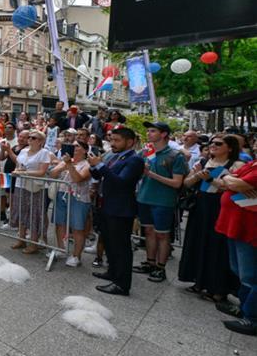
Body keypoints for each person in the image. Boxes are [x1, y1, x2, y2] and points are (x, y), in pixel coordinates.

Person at [179, 134, 243, 302]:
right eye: (211, 143)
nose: (213, 146)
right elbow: (186, 182)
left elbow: (232, 187)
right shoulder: (203, 161)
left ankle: (218, 288)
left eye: (218, 144)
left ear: (230, 147)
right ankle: (199, 281)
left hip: (220, 209)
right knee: (198, 243)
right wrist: (197, 176)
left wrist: (210, 179)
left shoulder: (237, 165)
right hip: (201, 207)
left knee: (218, 248)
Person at [89, 127, 144, 296]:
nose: (113, 143)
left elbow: (121, 182)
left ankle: (122, 284)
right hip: (107, 205)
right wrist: (94, 165)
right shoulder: (114, 156)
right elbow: (99, 176)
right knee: (110, 243)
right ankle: (112, 272)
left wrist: (100, 165)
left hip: (121, 208)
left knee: (121, 247)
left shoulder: (134, 160)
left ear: (130, 142)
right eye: (111, 140)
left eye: (117, 140)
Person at [133, 122, 188, 283]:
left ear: (163, 134)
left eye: (153, 131)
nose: (148, 133)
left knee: (162, 234)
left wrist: (151, 174)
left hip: (163, 201)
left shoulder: (175, 156)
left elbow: (177, 183)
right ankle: (150, 262)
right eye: (148, 131)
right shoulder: (145, 152)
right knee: (148, 232)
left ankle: (161, 267)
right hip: (144, 197)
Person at [213, 157, 257, 335]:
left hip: (249, 229)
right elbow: (223, 182)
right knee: (239, 271)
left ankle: (252, 318)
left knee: (250, 276)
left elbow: (234, 183)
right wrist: (230, 179)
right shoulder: (252, 164)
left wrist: (232, 181)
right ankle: (244, 308)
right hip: (236, 226)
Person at [49, 140, 92, 267]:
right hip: (61, 194)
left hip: (79, 198)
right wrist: (63, 165)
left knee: (77, 228)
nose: (74, 148)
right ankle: (61, 249)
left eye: (77, 146)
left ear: (85, 150)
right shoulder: (65, 161)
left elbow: (78, 179)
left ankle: (76, 256)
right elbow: (52, 174)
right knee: (59, 223)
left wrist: (69, 165)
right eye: (72, 146)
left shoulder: (88, 164)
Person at [7, 130, 51, 253]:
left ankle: (34, 243)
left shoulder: (44, 153)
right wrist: (18, 170)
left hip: (35, 187)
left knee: (34, 214)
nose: (30, 139)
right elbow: (18, 165)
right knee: (21, 211)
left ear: (41, 141)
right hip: (20, 185)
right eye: (29, 137)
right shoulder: (23, 151)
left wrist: (24, 173)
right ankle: (21, 239)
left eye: (33, 138)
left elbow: (42, 171)